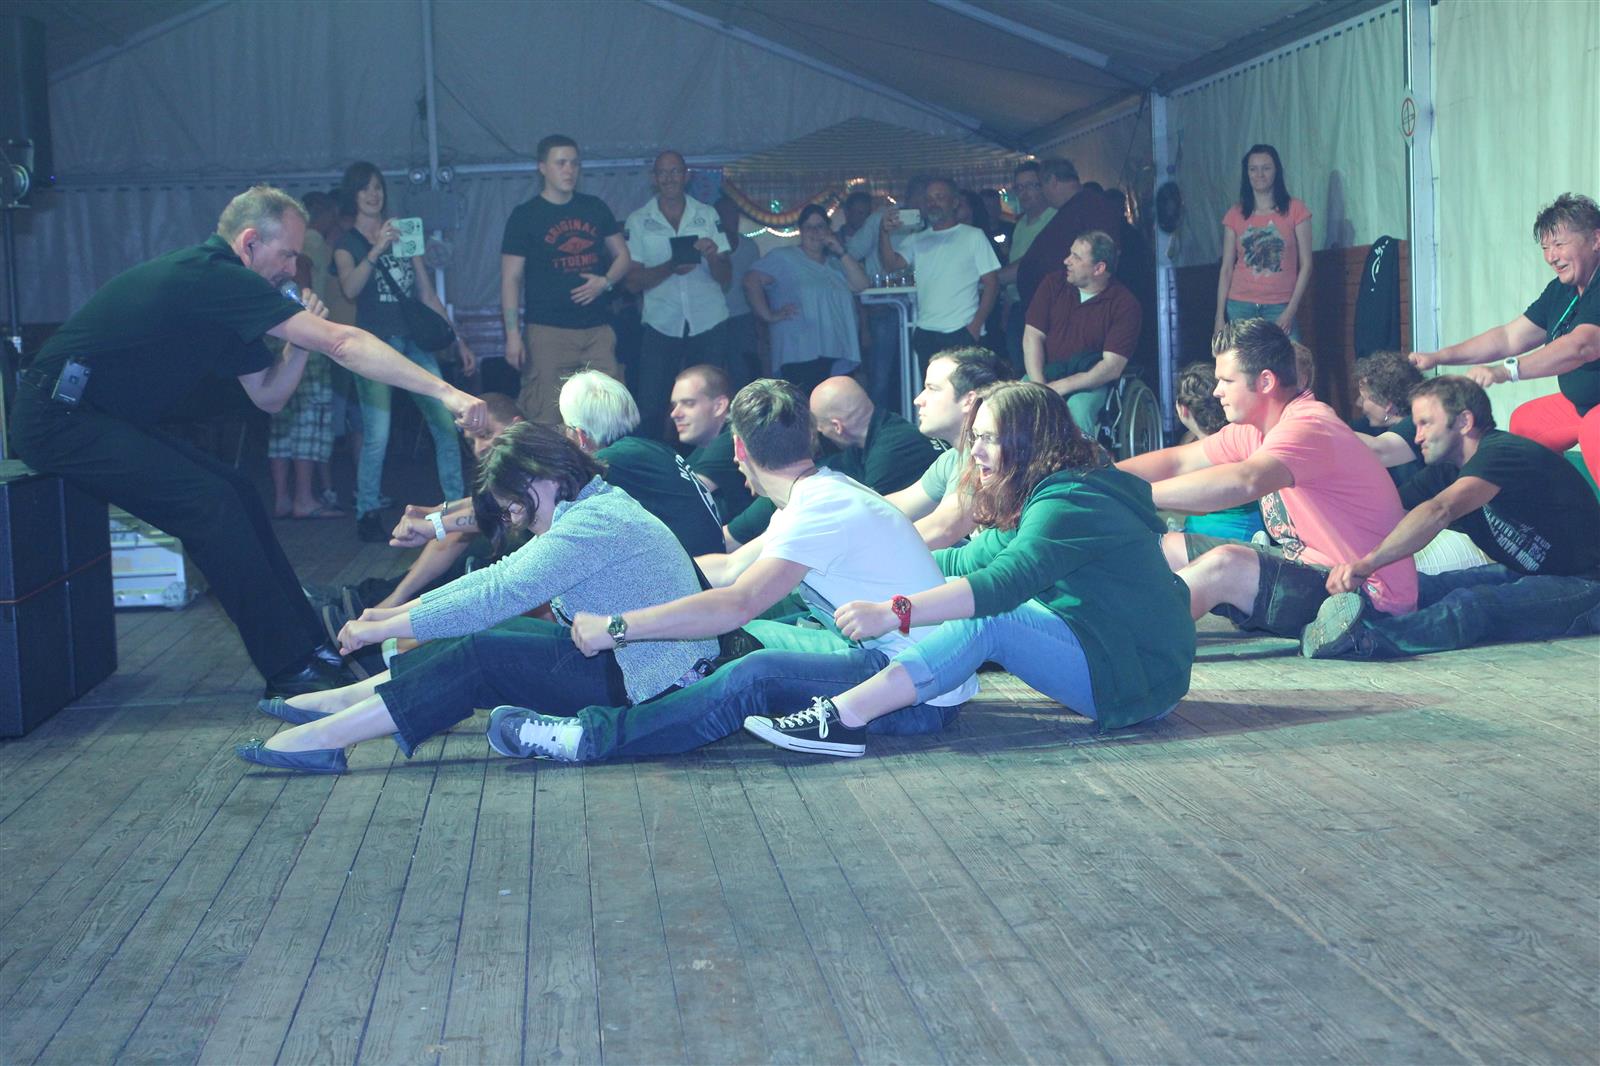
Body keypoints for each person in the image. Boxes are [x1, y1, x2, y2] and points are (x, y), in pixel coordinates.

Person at [9, 185, 487, 697]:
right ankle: (290, 667)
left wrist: (299, 344)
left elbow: (269, 396)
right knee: (209, 503)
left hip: (100, 417)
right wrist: (445, 392)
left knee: (234, 488)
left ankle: (312, 643)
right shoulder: (212, 276)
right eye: (287, 255)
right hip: (57, 417)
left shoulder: (224, 296)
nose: (292, 269)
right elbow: (345, 342)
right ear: (249, 242)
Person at [481, 378, 978, 763]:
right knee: (746, 642)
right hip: (903, 672)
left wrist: (618, 626)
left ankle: (588, 739)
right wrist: (645, 572)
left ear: (739, 449)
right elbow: (726, 570)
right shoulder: (815, 497)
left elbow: (736, 602)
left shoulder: (817, 511)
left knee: (755, 672)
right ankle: (635, 717)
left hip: (917, 695)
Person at [742, 381, 1195, 757]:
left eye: (989, 439)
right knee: (959, 592)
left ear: (1029, 442)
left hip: (1139, 680)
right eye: (974, 436)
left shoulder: (1070, 502)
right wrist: (874, 565)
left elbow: (1000, 586)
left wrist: (895, 610)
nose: (974, 451)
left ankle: (843, 718)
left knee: (990, 616)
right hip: (1110, 652)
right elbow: (965, 560)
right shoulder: (1048, 490)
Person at [235, 421, 717, 773]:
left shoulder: (591, 523)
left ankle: (327, 736)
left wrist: (383, 628)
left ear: (543, 478)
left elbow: (493, 595)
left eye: (514, 504)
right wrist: (394, 613)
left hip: (652, 684)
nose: (515, 517)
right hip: (637, 665)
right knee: (491, 635)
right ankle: (343, 702)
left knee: (483, 653)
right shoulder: (591, 505)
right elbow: (496, 578)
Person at [1116, 319, 1416, 637]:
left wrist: (1134, 494)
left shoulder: (1308, 425)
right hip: (1314, 571)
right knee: (1167, 547)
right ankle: (1106, 627)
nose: (1217, 391)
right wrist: (1098, 479)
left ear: (1266, 382)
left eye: (1226, 380)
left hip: (1367, 597)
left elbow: (1246, 480)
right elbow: (1179, 461)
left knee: (1224, 566)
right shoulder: (1255, 428)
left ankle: (1116, 643)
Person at [1302, 375, 1600, 658]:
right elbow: (1387, 516)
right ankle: (1313, 617)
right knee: (1422, 587)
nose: (1417, 437)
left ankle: (1361, 640)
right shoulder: (1446, 471)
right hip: (1529, 573)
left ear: (1464, 422)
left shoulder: (1502, 453)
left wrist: (1368, 563)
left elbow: (1439, 511)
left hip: (1587, 586)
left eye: (1425, 423)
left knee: (1470, 606)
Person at [332, 161, 478, 542]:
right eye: (365, 188)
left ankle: (456, 508)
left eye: (378, 187)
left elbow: (426, 293)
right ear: (353, 195)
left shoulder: (406, 233)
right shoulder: (346, 244)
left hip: (413, 341)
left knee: (445, 422)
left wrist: (457, 339)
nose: (373, 194)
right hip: (374, 345)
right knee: (376, 433)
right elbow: (350, 288)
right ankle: (367, 511)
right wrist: (377, 248)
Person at [1410, 193, 1600, 483]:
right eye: (1545, 247)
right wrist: (1438, 357)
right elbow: (1508, 338)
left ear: (1596, 240)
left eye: (1560, 244)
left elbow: (1582, 346)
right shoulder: (1561, 290)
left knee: (1593, 431)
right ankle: (1557, 505)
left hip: (1595, 413)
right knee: (1526, 424)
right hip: (1583, 404)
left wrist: (1506, 371)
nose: (1551, 257)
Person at [499, 134, 632, 428]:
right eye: (561, 163)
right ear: (542, 167)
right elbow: (511, 278)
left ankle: (603, 459)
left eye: (574, 163)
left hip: (596, 328)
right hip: (549, 331)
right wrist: (512, 335)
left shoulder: (594, 207)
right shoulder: (525, 216)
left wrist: (605, 281)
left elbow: (623, 256)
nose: (569, 170)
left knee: (608, 413)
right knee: (548, 413)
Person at [556, 370, 724, 557]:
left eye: (566, 428)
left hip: (695, 570)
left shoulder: (608, 461)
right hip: (705, 565)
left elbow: (558, 526)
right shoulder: (655, 449)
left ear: (580, 436)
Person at [624, 150, 732, 436]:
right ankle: (656, 459)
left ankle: (711, 458)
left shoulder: (707, 215)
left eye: (675, 171)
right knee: (653, 404)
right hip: (661, 322)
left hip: (708, 320)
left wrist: (712, 255)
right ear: (654, 178)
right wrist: (671, 266)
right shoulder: (638, 220)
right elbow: (632, 282)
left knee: (711, 403)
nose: (669, 178)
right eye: (663, 172)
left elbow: (726, 278)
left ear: (686, 176)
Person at [883, 345, 1012, 547]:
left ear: (969, 400)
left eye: (932, 389)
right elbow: (891, 508)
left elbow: (943, 529)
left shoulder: (988, 457)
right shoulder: (952, 458)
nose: (918, 400)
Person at [267, 189, 344, 520]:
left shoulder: (281, 242)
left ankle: (282, 499)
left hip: (276, 334)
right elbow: (302, 279)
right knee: (309, 420)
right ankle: (304, 499)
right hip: (304, 336)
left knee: (282, 421)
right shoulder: (310, 240)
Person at [1022, 229, 1142, 434]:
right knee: (1017, 403)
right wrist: (1039, 385)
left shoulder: (1124, 304)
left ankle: (1076, 456)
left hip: (1090, 383)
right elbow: (1032, 335)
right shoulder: (1053, 284)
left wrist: (1061, 387)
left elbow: (1111, 366)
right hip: (1045, 372)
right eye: (1070, 253)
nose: (1066, 261)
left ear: (1099, 268)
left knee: (1078, 409)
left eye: (1076, 257)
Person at [743, 203, 870, 394]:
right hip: (800, 350)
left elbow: (861, 284)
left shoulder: (836, 264)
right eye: (809, 227)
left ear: (828, 230)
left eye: (820, 226)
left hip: (837, 350)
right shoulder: (783, 257)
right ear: (801, 230)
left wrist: (840, 251)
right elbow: (750, 280)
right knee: (804, 405)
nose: (815, 232)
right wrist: (768, 315)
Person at [879, 177, 1000, 365]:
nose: (933, 203)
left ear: (954, 202)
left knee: (967, 384)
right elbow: (891, 265)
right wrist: (884, 232)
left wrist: (976, 325)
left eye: (939, 197)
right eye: (929, 199)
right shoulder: (917, 239)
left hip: (962, 330)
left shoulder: (973, 236)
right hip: (926, 331)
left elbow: (992, 284)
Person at [1213, 144, 1313, 340]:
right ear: (1247, 173)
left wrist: (1290, 310)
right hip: (1240, 305)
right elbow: (1226, 268)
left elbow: (1307, 265)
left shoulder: (1296, 210)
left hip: (1280, 304)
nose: (1259, 174)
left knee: (1290, 356)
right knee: (1243, 360)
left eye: (1266, 168)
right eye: (1253, 169)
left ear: (1276, 171)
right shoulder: (1235, 214)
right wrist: (1219, 316)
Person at [1013, 159, 1124, 321]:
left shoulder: (1090, 206)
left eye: (1040, 186)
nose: (1043, 192)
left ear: (1052, 181)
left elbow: (1109, 257)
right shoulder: (1074, 209)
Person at [1170, 360, 1266, 542]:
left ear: (1183, 410)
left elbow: (1198, 504)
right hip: (1246, 532)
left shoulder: (1193, 448)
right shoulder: (1242, 437)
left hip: (1230, 540)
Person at [809, 375, 939, 494]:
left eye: (821, 429)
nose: (823, 434)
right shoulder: (868, 440)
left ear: (837, 427)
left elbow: (870, 509)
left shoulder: (889, 452)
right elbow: (836, 464)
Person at [671, 363, 755, 530]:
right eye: (674, 405)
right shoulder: (703, 448)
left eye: (688, 403)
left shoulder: (732, 438)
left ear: (719, 406)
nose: (675, 414)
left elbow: (677, 499)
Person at [996, 161, 1057, 375]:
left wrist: (994, 278)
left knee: (1040, 370)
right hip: (1018, 307)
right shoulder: (1020, 224)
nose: (1024, 192)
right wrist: (1007, 307)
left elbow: (1030, 263)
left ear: (1044, 186)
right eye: (1019, 187)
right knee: (1021, 369)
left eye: (1031, 185)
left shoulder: (1054, 218)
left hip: (1043, 306)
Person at [1352, 349, 1425, 482]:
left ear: (1387, 405)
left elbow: (1378, 451)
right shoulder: (1372, 425)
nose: (1358, 403)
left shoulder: (1415, 425)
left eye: (1364, 398)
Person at [715, 194, 762, 387]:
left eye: (733, 214)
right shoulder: (709, 248)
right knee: (714, 372)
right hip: (713, 319)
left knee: (743, 370)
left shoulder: (749, 246)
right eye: (725, 214)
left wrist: (759, 319)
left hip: (743, 317)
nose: (731, 219)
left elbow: (756, 285)